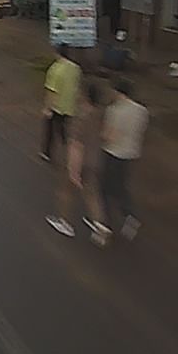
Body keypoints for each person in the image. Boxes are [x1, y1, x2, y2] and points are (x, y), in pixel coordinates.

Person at [46, 83, 111, 241]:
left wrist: (73, 169)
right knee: (91, 194)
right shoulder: (100, 115)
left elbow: (75, 144)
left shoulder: (81, 116)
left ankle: (64, 222)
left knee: (65, 191)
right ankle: (100, 224)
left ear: (86, 96)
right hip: (94, 160)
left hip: (79, 161)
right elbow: (105, 136)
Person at [100, 77, 149, 241]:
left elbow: (109, 136)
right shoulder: (142, 110)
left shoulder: (114, 110)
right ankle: (129, 216)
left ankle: (106, 223)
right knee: (121, 186)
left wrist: (101, 137)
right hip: (131, 154)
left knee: (105, 188)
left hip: (113, 153)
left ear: (117, 92)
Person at [41, 44, 82, 163]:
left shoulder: (55, 69)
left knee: (50, 130)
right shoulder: (76, 68)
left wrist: (47, 108)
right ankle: (68, 148)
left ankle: (47, 153)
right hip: (70, 105)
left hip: (56, 106)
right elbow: (77, 86)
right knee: (64, 128)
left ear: (57, 53)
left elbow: (51, 91)